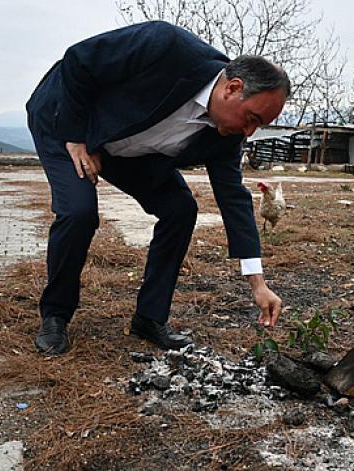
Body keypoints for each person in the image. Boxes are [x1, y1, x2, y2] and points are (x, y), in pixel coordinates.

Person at [25, 21, 287, 354]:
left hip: (125, 147)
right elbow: (79, 60)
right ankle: (55, 316)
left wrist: (258, 283)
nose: (249, 132)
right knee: (78, 212)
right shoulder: (167, 46)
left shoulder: (226, 135)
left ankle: (149, 317)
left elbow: (233, 199)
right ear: (232, 88)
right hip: (64, 120)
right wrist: (76, 136)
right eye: (252, 118)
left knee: (180, 209)